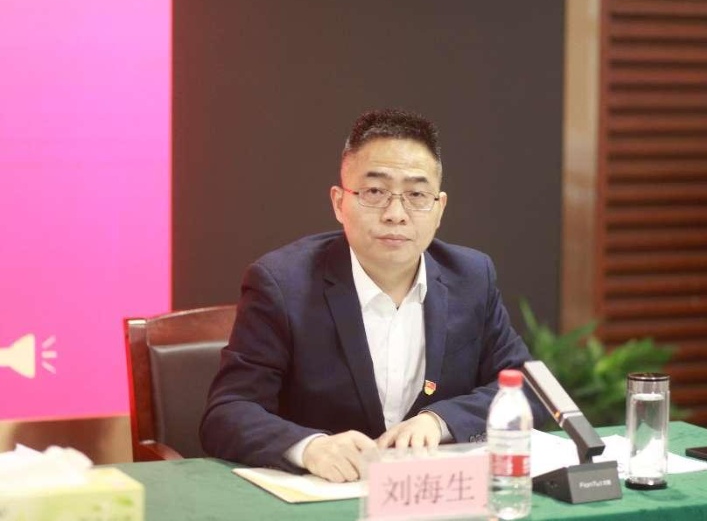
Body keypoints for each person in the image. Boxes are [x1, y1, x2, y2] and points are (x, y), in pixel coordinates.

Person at [200, 108, 546, 482]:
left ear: (439, 209)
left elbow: (530, 388)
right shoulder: (282, 285)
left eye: (417, 194)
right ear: (339, 203)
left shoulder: (471, 278)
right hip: (323, 496)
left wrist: (441, 420)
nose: (396, 214)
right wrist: (310, 447)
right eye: (375, 192)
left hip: (432, 496)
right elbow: (228, 412)